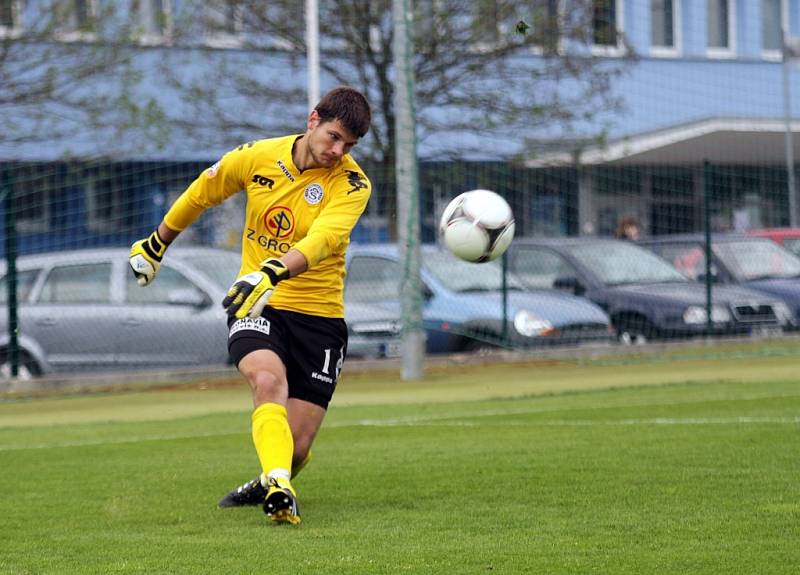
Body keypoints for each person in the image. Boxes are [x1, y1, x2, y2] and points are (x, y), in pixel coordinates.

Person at [128, 86, 372, 525]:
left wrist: (273, 269)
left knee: (297, 447)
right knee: (266, 379)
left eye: (348, 145)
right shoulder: (257, 156)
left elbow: (324, 240)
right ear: (313, 119)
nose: (338, 151)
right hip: (257, 302)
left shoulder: (353, 184)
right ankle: (279, 488)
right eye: (334, 137)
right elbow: (204, 191)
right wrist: (157, 243)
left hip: (319, 318)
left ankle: (270, 478)